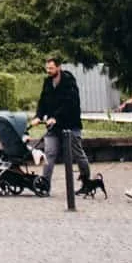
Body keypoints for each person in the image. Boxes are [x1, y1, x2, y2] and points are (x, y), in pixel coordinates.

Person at [30, 55, 92, 194]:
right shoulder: (47, 82)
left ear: (58, 67)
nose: (48, 70)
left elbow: (70, 103)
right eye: (47, 68)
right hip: (53, 127)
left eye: (51, 68)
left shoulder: (69, 81)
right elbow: (43, 101)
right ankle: (45, 185)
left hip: (70, 125)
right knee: (49, 153)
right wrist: (38, 116)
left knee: (78, 154)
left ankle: (87, 183)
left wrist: (56, 117)